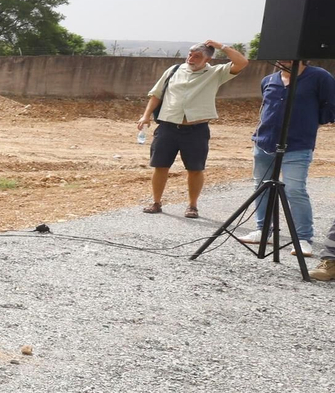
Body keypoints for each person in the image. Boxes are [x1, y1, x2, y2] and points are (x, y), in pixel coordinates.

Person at [137, 40, 247, 218]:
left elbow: (242, 63)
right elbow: (156, 94)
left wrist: (221, 47)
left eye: (197, 56)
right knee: (160, 165)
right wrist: (146, 115)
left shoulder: (216, 73)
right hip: (168, 126)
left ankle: (192, 206)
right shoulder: (173, 71)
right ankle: (156, 202)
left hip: (196, 129)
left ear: (207, 60)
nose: (191, 58)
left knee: (195, 169)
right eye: (190, 54)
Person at [243, 59, 335, 254]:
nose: (283, 58)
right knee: (262, 187)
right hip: (264, 144)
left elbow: (330, 106)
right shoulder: (268, 80)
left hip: (297, 145)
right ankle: (263, 230)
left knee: (294, 190)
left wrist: (310, 123)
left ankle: (302, 238)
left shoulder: (319, 77)